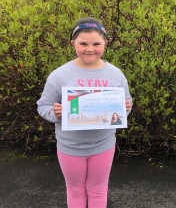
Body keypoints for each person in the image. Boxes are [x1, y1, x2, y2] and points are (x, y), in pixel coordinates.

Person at [37, 17, 133, 208]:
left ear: (105, 43)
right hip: (70, 146)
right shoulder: (59, 75)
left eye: (97, 43)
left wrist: (125, 109)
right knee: (75, 190)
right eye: (83, 43)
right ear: (73, 43)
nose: (90, 49)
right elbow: (43, 106)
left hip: (103, 145)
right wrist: (54, 113)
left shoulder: (116, 74)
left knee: (98, 190)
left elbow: (124, 107)